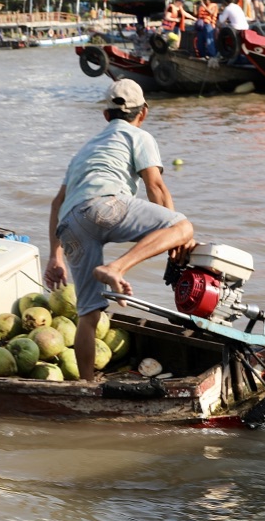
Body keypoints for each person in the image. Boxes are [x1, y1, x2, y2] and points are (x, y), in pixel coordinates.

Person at [46, 79, 196, 381]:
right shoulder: (138, 135)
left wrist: (54, 258)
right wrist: (176, 238)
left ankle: (86, 386)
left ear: (105, 116)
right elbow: (156, 186)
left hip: (70, 224)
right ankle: (116, 268)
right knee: (183, 225)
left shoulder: (84, 150)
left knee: (87, 314)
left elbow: (57, 203)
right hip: (103, 206)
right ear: (144, 113)